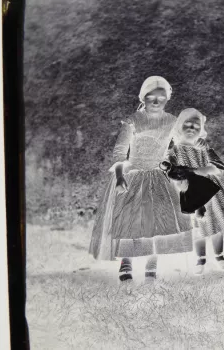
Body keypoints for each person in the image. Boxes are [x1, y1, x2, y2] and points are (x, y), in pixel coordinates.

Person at [89, 77, 200, 282]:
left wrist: (179, 166)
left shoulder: (172, 121)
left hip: (159, 177)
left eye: (161, 98)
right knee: (132, 221)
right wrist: (121, 176)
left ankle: (151, 265)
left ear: (167, 98)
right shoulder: (132, 121)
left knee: (157, 222)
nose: (156, 102)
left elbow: (181, 144)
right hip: (133, 176)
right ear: (143, 97)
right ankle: (127, 263)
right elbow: (120, 151)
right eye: (151, 97)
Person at [165, 108, 224, 275]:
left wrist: (197, 169)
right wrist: (182, 174)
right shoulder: (175, 150)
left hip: (212, 191)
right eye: (187, 124)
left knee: (216, 225)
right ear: (179, 126)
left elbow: (219, 167)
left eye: (196, 125)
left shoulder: (203, 147)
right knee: (198, 227)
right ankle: (200, 259)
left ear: (201, 129)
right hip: (191, 192)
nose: (191, 128)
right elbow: (173, 172)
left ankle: (219, 257)